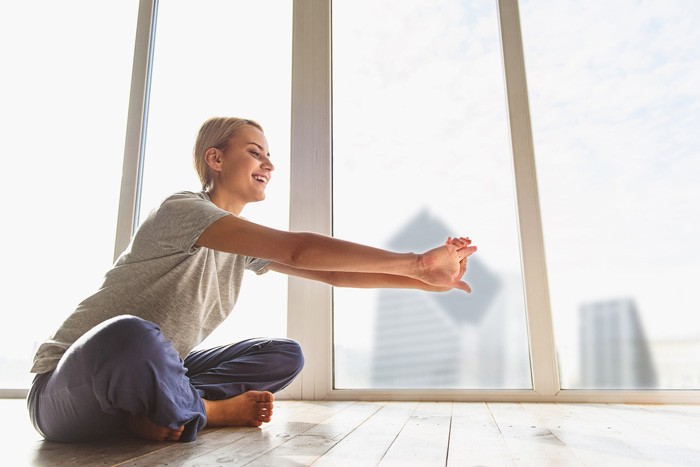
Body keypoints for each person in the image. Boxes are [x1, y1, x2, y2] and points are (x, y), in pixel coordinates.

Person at [27, 117, 477, 443]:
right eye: (254, 151)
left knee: (283, 354)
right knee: (132, 333)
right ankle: (205, 410)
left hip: (154, 374)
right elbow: (298, 248)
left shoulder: (238, 244)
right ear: (215, 158)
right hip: (67, 391)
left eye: (268, 155)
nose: (268, 163)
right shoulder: (182, 210)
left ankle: (162, 409)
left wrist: (426, 282)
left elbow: (333, 273)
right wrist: (417, 262)